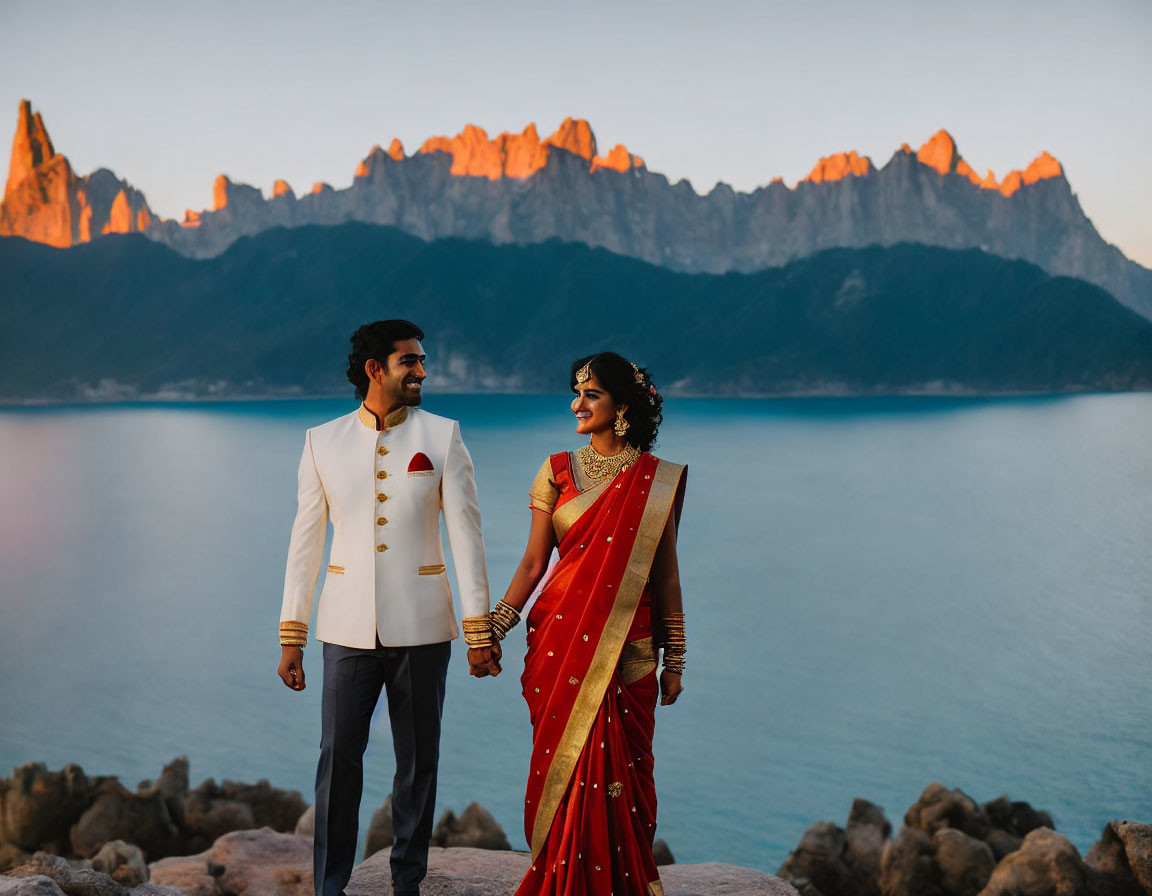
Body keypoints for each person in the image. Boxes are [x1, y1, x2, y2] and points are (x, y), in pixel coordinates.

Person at [275, 319, 501, 896]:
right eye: (410, 361)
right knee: (337, 759)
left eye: (422, 360)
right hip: (345, 627)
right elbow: (306, 543)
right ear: (376, 369)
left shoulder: (444, 436)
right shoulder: (320, 442)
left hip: (425, 625)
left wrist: (479, 630)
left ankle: (407, 883)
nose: (422, 370)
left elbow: (467, 538)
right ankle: (330, 886)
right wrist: (292, 634)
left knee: (418, 763)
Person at [490, 352, 688, 896]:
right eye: (575, 393)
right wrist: (496, 624)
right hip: (559, 639)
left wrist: (677, 660)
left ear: (621, 405)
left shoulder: (656, 481)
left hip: (630, 648)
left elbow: (666, 579)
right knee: (562, 761)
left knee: (628, 769)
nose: (577, 404)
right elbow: (535, 562)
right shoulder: (555, 469)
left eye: (591, 394)